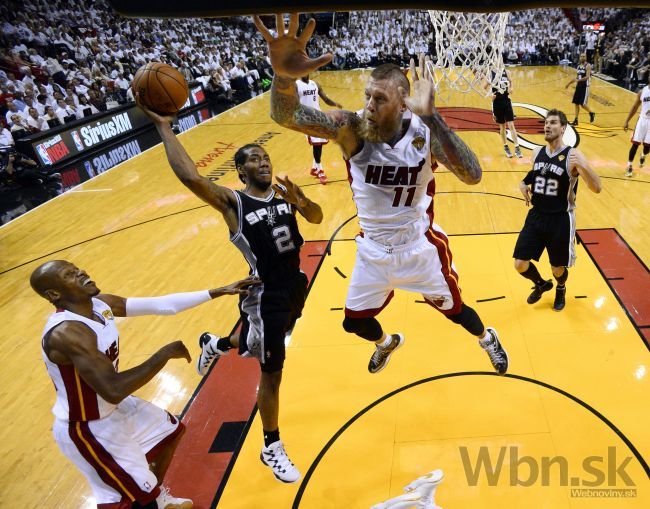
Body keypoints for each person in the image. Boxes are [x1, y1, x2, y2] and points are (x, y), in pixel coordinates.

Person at [254, 14, 508, 377]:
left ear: (403, 103)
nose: (369, 104)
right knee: (353, 323)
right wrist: (283, 75)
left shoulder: (424, 133)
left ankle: (487, 338)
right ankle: (387, 342)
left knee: (457, 312)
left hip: (419, 248)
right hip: (372, 251)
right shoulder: (351, 127)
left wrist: (434, 117)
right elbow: (287, 114)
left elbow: (473, 175)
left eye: (380, 98)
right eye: (367, 95)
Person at [138, 99, 323, 484]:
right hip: (265, 293)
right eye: (254, 159)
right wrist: (163, 127)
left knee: (259, 340)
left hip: (294, 285)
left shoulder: (285, 194)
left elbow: (316, 217)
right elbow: (191, 178)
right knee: (272, 370)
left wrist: (302, 200)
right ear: (240, 171)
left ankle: (216, 345)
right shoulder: (233, 202)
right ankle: (271, 445)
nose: (264, 163)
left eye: (266, 157)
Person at [31, 259, 257, 509]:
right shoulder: (68, 333)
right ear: (54, 294)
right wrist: (162, 355)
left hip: (110, 407)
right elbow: (113, 389)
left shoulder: (98, 304)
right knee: (130, 499)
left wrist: (219, 290)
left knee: (170, 431)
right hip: (88, 425)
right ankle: (149, 500)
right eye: (69, 275)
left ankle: (155, 498)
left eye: (77, 268)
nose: (81, 272)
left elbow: (164, 305)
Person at [513, 109, 601, 311]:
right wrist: (522, 183)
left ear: (563, 128)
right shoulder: (537, 153)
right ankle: (541, 284)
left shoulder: (573, 155)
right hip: (536, 216)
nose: (547, 126)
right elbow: (534, 175)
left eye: (553, 122)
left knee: (557, 268)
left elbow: (597, 188)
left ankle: (560, 287)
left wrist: (583, 168)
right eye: (546, 122)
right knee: (520, 264)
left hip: (560, 219)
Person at [296, 74, 343, 184]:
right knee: (316, 143)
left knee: (320, 143)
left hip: (318, 116)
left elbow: (325, 99)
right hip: (306, 118)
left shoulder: (315, 84)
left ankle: (314, 168)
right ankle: (320, 170)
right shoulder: (296, 85)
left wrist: (335, 104)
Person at [489, 68, 522, 158]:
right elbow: (484, 86)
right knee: (502, 127)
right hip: (496, 103)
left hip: (506, 101)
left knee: (511, 125)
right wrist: (489, 95)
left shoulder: (506, 72)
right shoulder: (490, 73)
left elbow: (511, 81)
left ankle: (517, 147)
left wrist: (511, 87)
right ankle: (505, 146)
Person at [623, 75, 650, 177]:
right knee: (635, 144)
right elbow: (634, 107)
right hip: (642, 120)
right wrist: (627, 121)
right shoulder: (642, 92)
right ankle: (629, 166)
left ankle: (643, 155)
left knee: (647, 146)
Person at [565, 53, 595, 126]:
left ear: (586, 57)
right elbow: (576, 77)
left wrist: (579, 80)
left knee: (583, 104)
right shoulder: (578, 66)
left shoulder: (588, 66)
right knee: (576, 103)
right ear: (579, 58)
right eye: (581, 56)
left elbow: (587, 77)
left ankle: (591, 113)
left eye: (584, 56)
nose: (582, 57)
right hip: (579, 86)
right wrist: (569, 83)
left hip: (585, 86)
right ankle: (576, 120)